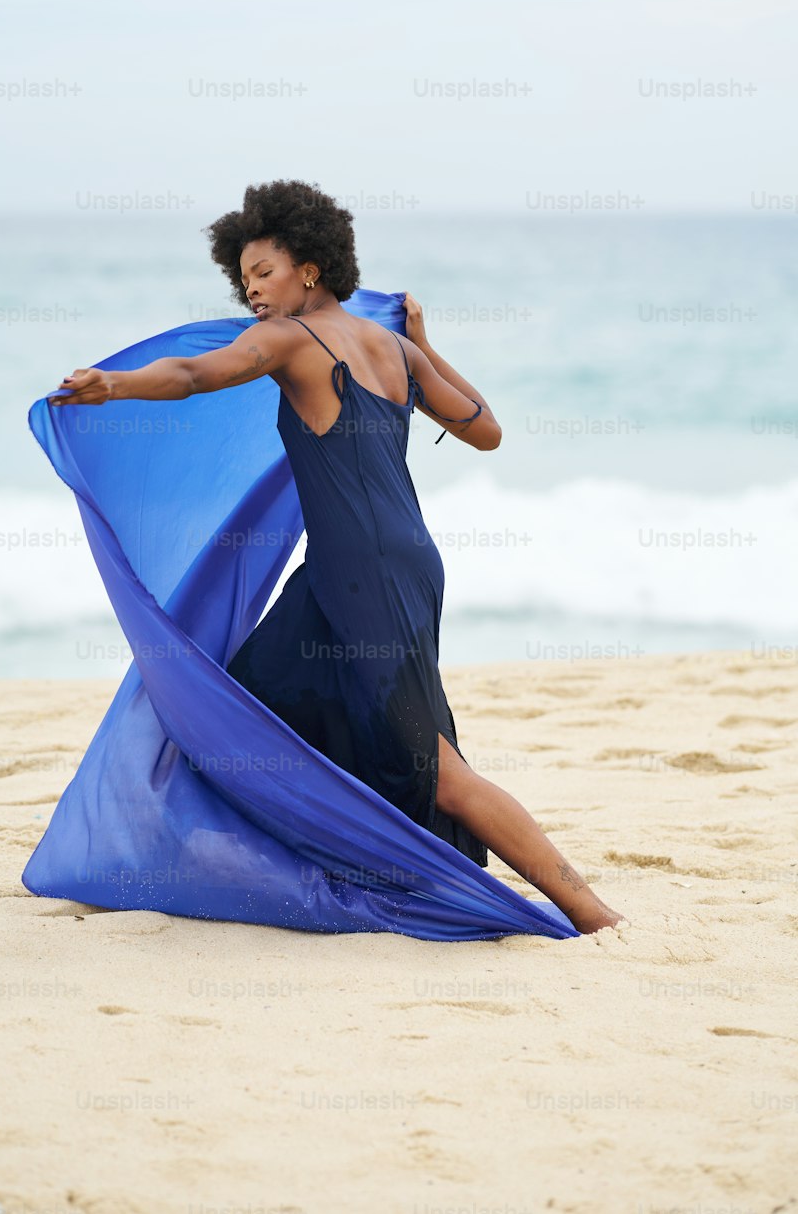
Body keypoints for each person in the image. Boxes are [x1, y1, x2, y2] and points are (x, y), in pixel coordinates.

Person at [51, 179, 624, 934]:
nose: (253, 289)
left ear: (310, 268)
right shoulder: (392, 350)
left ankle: (591, 912)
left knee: (436, 770)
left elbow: (197, 373)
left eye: (265, 270)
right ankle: (290, 872)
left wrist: (114, 385)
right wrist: (425, 345)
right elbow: (486, 428)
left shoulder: (290, 340)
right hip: (388, 567)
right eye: (244, 277)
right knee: (248, 703)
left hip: (363, 576)